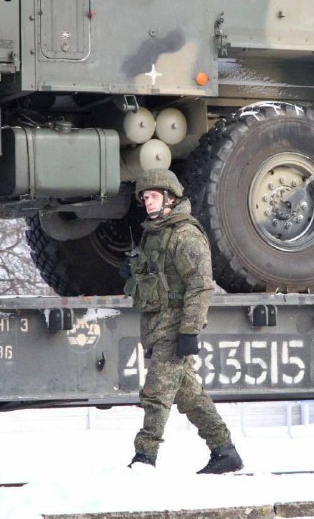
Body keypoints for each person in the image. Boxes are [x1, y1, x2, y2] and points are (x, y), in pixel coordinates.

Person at [122, 168, 243, 474]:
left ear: (170, 198)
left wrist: (189, 330)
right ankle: (224, 451)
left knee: (156, 394)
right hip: (158, 328)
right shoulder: (155, 234)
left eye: (153, 196)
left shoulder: (185, 235)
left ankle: (144, 458)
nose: (148, 203)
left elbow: (200, 285)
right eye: (145, 197)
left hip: (174, 332)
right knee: (189, 396)